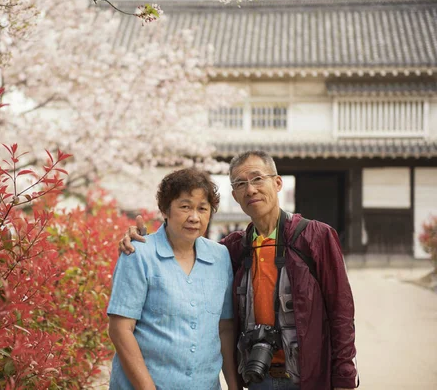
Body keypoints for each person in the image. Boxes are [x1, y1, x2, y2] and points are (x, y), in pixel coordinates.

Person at [119, 151, 359, 390]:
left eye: (257, 179)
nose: (250, 189)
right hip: (258, 377)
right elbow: (183, 243)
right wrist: (143, 239)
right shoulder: (232, 249)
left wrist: (345, 378)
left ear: (277, 183)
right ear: (234, 195)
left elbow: (341, 313)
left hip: (308, 378)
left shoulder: (315, 237)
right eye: (241, 184)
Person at [107, 168, 239, 389]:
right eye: (185, 206)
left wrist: (234, 387)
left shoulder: (220, 257)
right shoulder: (138, 254)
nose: (194, 217)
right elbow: (120, 329)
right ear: (165, 209)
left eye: (202, 208)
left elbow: (224, 328)